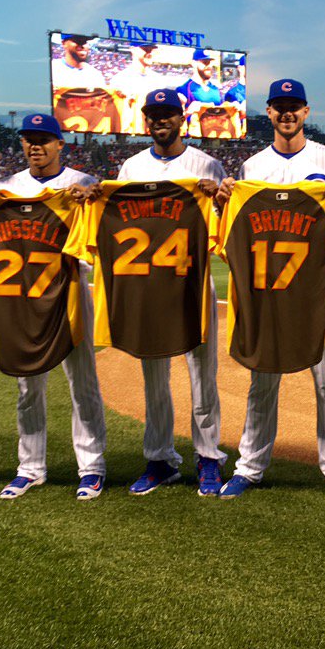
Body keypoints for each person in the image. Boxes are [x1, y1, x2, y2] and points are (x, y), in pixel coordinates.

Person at [213, 79, 325, 504]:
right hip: (266, 290)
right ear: (270, 112)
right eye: (279, 107)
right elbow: (234, 227)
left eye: (294, 106)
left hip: (316, 288)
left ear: (306, 112)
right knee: (262, 380)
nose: (287, 113)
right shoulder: (252, 168)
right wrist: (225, 201)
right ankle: (249, 467)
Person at [113, 89, 227, 496]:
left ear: (182, 118)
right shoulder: (130, 167)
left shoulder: (206, 163)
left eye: (167, 114)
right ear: (146, 120)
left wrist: (220, 199)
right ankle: (159, 459)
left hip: (193, 282)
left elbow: (223, 225)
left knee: (203, 374)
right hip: (148, 283)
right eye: (153, 114)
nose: (160, 120)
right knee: (153, 377)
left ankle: (208, 456)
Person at [0, 113, 108, 500]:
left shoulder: (83, 184)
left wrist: (92, 199)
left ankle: (91, 467)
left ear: (61, 144)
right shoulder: (6, 187)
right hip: (22, 297)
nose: (35, 145)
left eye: (43, 139)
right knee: (28, 386)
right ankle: (30, 467)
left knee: (83, 382)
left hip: (71, 292)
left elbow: (95, 248)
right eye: (29, 139)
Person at [109, 43, 161, 134]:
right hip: (129, 133)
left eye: (151, 49)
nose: (149, 53)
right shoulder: (119, 79)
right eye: (145, 49)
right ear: (133, 49)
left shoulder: (158, 80)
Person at [176, 49, 223, 137]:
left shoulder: (216, 90)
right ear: (194, 63)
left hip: (215, 136)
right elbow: (174, 122)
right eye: (205, 62)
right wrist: (188, 112)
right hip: (192, 138)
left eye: (210, 62)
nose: (209, 66)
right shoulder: (183, 89)